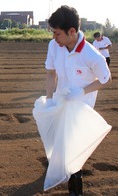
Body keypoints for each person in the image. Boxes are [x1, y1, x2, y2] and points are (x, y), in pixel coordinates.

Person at [44, 5, 112, 195]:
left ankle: (76, 188)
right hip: (60, 102)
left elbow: (106, 80)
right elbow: (51, 74)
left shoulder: (91, 55)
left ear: (72, 31)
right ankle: (58, 167)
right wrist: (49, 100)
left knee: (74, 149)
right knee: (57, 139)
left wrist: (81, 91)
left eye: (57, 34)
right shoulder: (54, 46)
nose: (54, 38)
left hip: (81, 107)